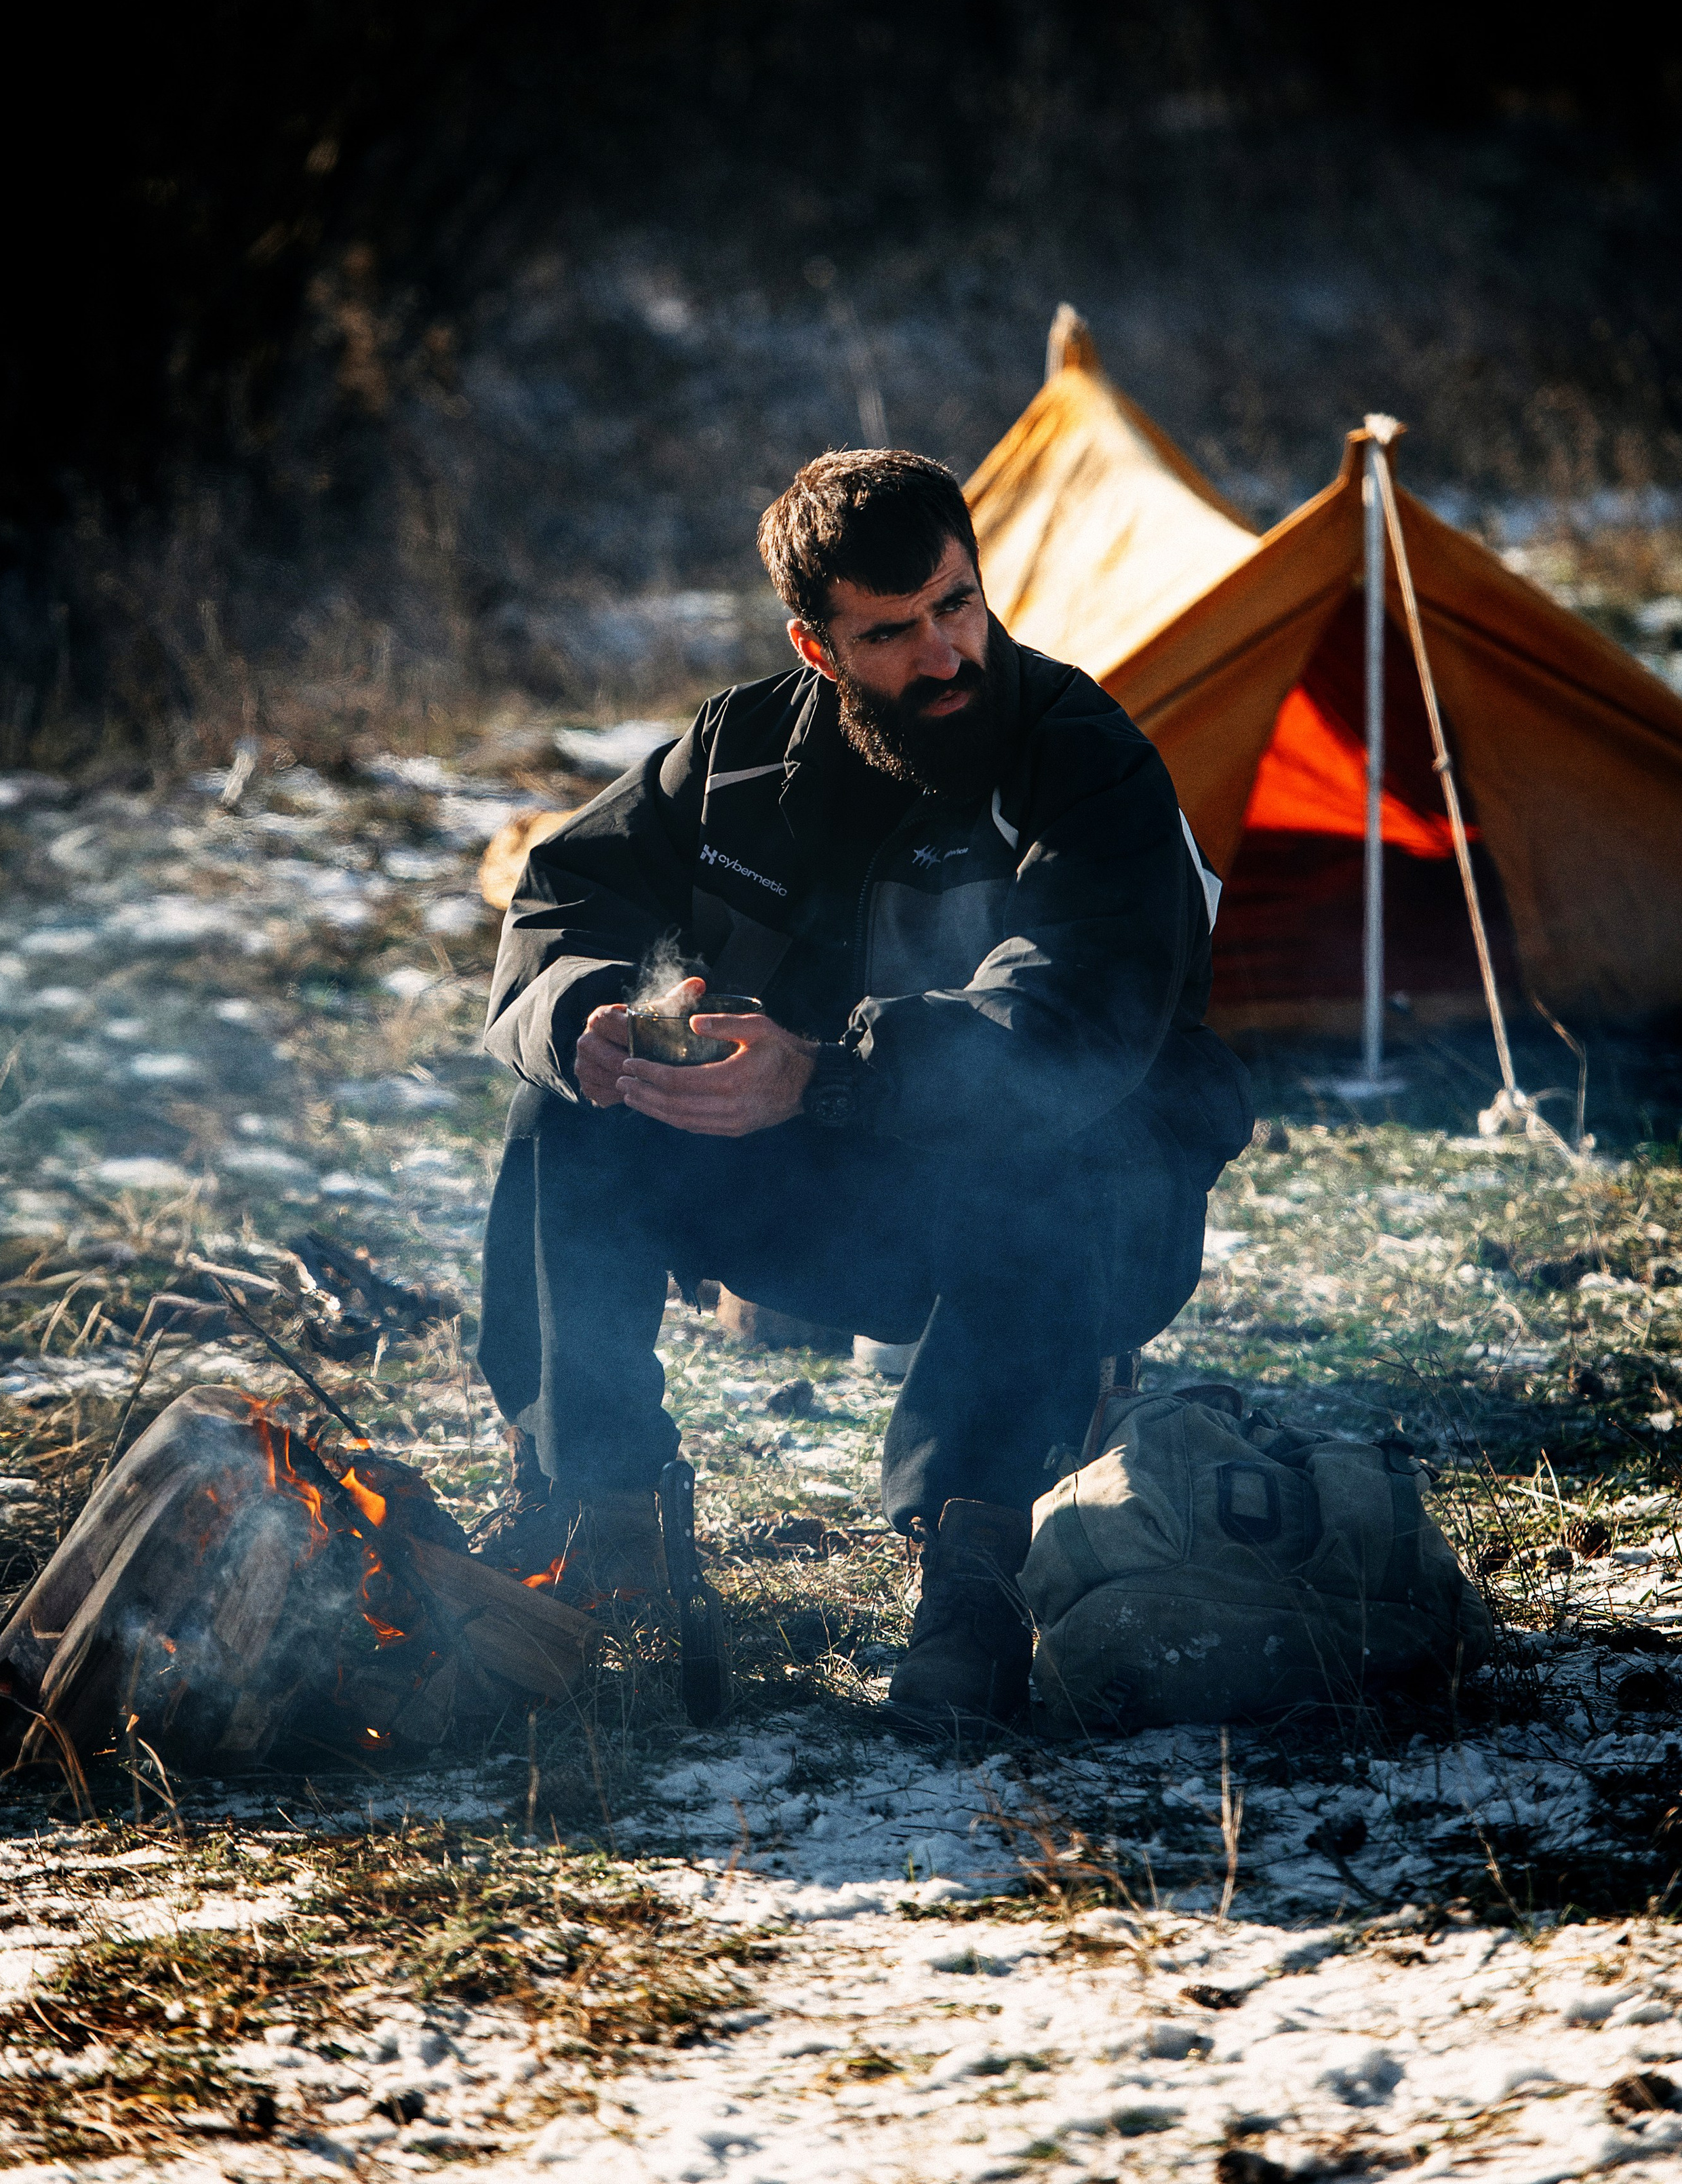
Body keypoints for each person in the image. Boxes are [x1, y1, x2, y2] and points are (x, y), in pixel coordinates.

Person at [479, 448, 1253, 1731]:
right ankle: (595, 1511)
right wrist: (588, 1020)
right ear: (816, 645)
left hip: (1073, 1201)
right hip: (842, 1190)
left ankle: (976, 1558)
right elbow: (568, 895)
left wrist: (825, 1078)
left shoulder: (1085, 761)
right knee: (570, 1107)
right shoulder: (737, 751)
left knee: (1067, 1147)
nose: (947, 654)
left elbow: (1063, 1026)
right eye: (894, 632)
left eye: (959, 603)